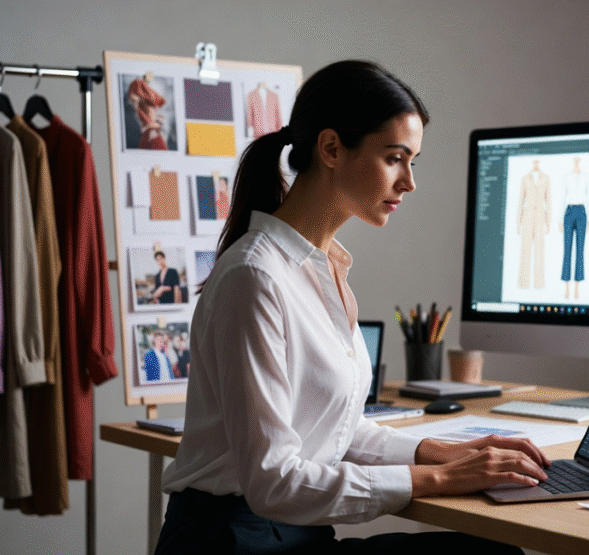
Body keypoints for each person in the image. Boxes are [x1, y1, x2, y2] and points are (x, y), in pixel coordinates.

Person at [155, 60, 549, 555]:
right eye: (395, 158)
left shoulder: (323, 269)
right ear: (332, 148)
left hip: (286, 534)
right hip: (233, 541)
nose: (409, 181)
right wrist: (435, 478)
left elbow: (333, 428)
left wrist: (440, 452)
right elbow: (274, 482)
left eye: (413, 161)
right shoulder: (255, 277)